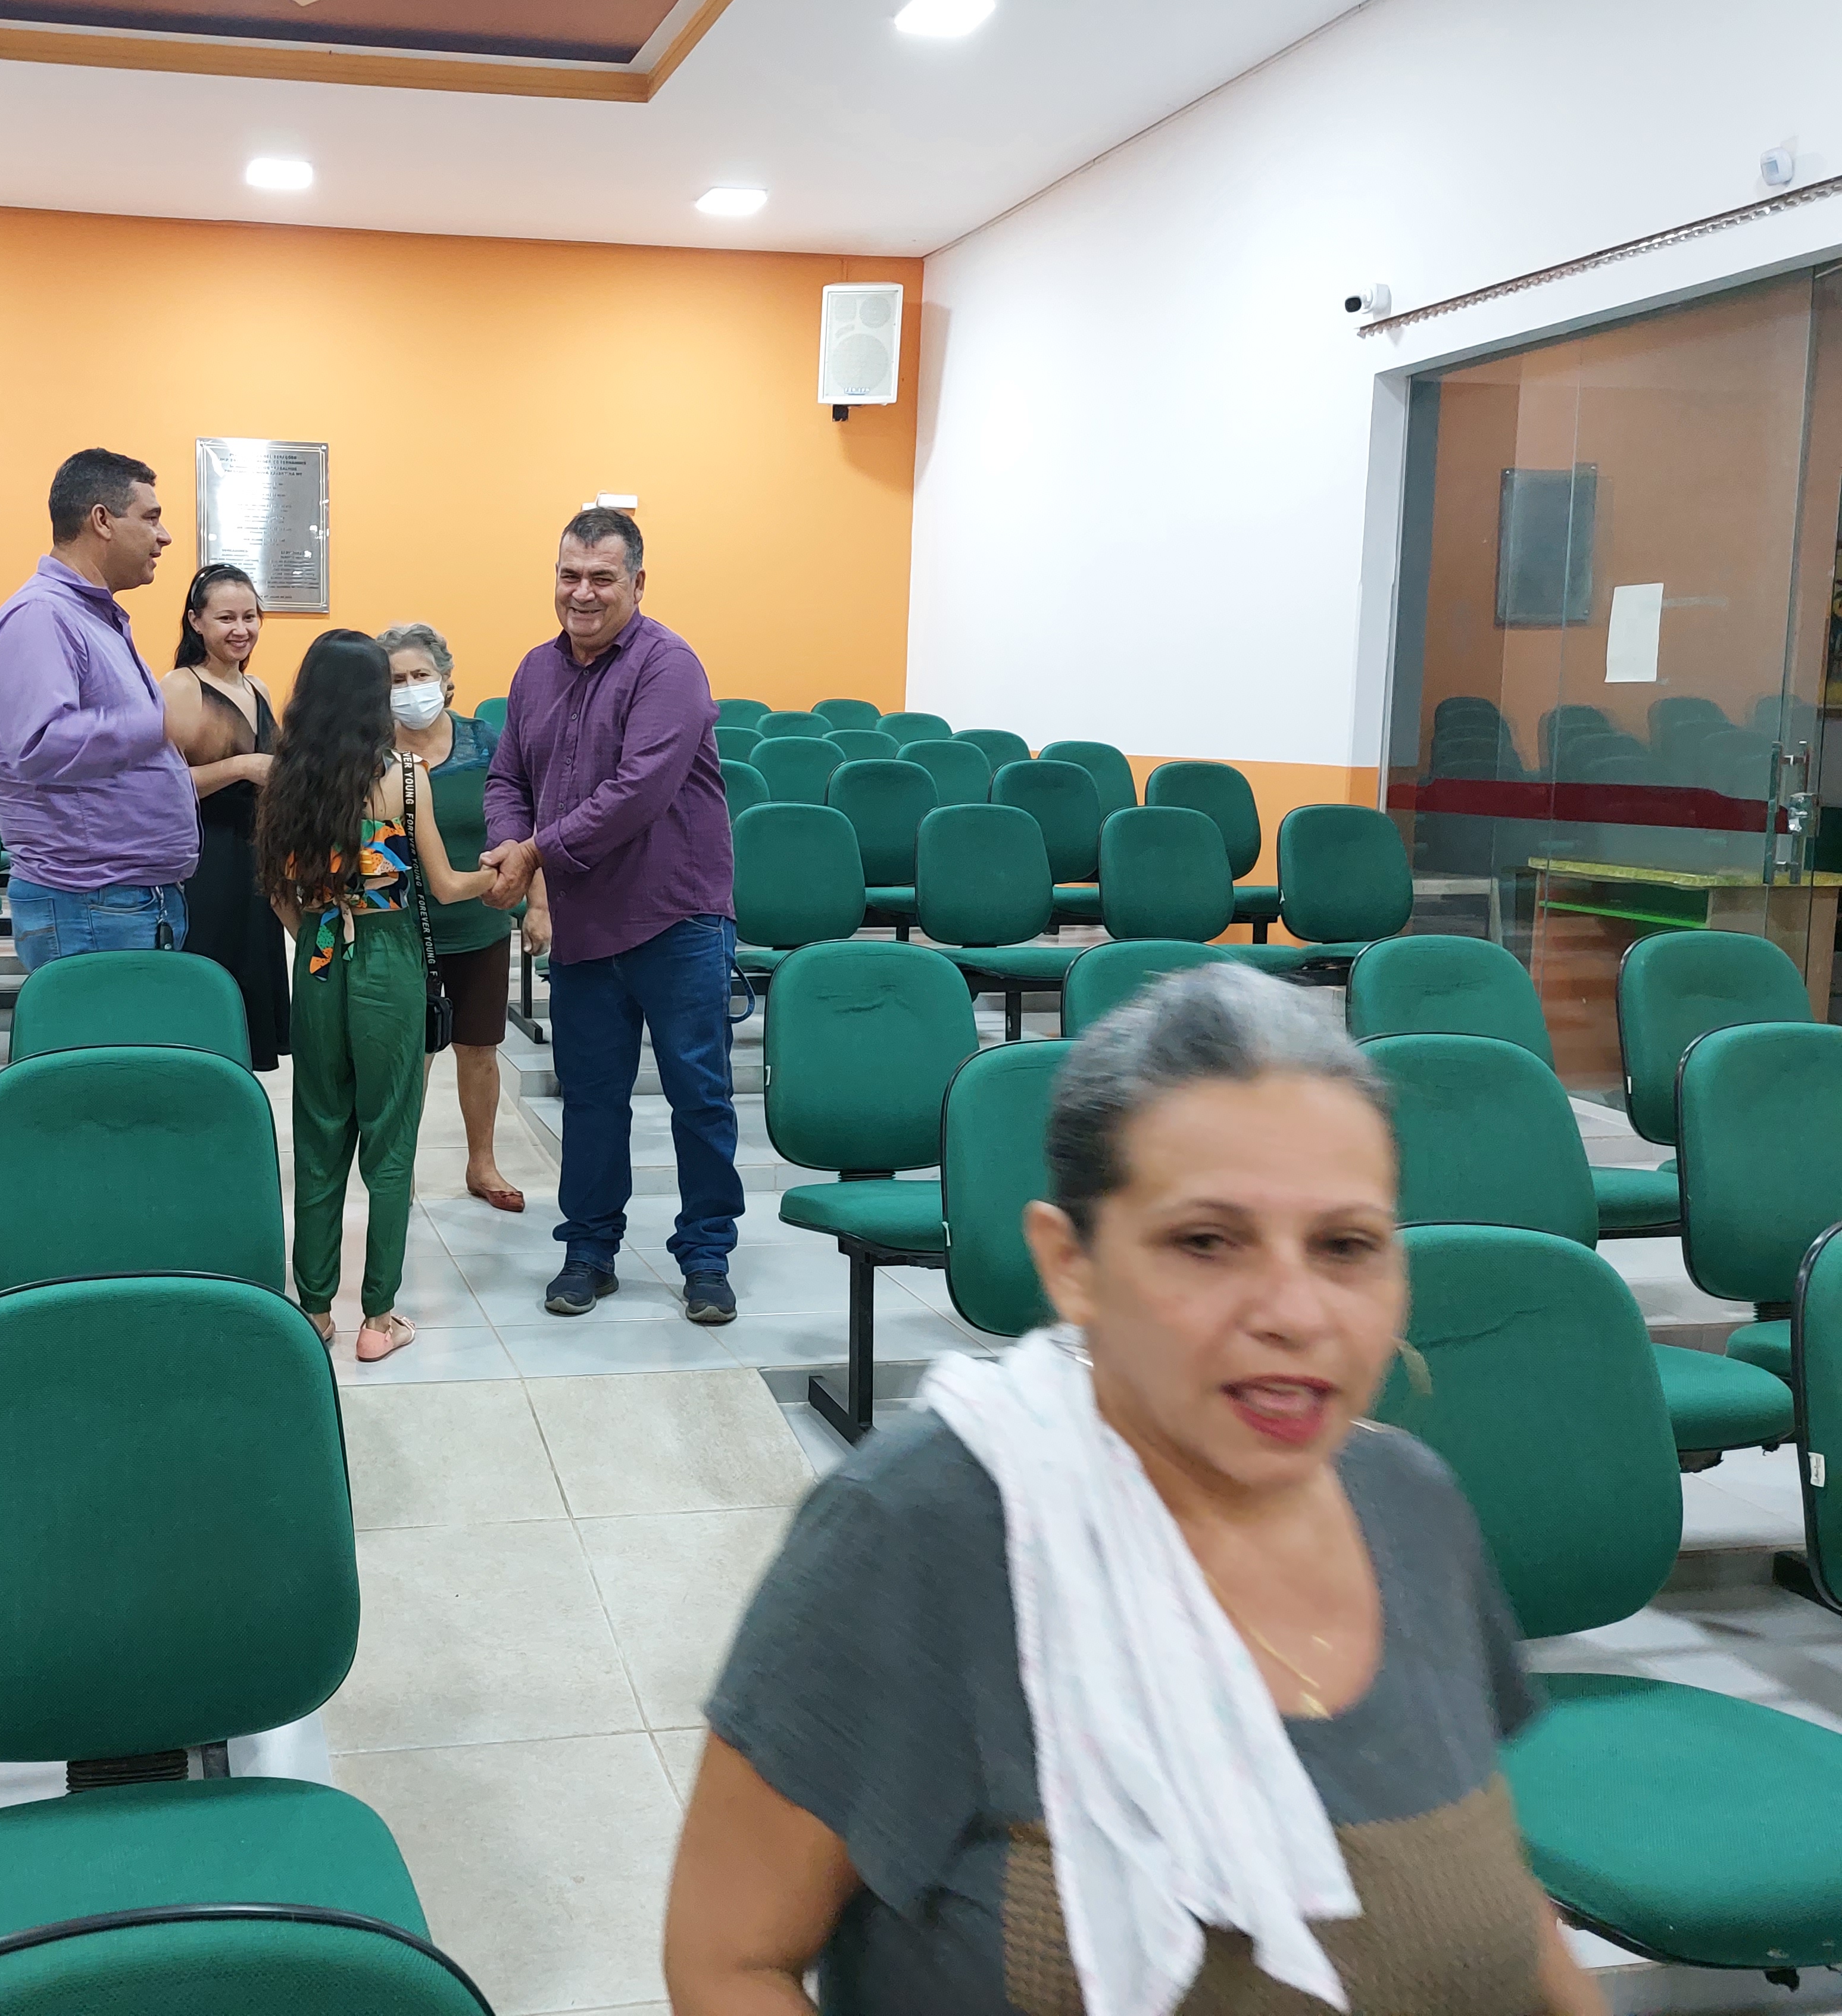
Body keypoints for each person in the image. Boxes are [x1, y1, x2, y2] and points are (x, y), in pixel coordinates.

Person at [664, 967, 1606, 2016]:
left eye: (1345, 1246)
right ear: (1070, 1262)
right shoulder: (919, 1532)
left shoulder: (1411, 1502)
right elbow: (727, 1962)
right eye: (1206, 1241)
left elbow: (1500, 1896)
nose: (1294, 1312)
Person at [483, 507, 740, 1327]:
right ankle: (589, 1251)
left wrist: (534, 855)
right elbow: (506, 779)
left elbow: (637, 793)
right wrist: (507, 843)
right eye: (570, 575)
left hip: (676, 918)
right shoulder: (535, 670)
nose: (582, 593)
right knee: (592, 1098)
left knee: (699, 1095)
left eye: (602, 577)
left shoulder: (670, 666)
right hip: (588, 923)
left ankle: (706, 1256)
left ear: (637, 582)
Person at [260, 630, 498, 1364]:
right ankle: (378, 1317)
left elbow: (280, 895)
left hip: (320, 959)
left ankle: (312, 1308)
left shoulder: (284, 779)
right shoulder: (403, 777)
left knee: (319, 1132)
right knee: (390, 1138)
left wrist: (319, 935)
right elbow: (448, 887)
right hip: (389, 954)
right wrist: (506, 871)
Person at [0, 447, 197, 969]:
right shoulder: (41, 617)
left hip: (116, 901)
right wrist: (159, 723)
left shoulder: (91, 617)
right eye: (151, 518)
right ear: (102, 520)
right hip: (87, 904)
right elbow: (40, 746)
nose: (164, 536)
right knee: (102, 1029)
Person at [382, 621, 545, 1212]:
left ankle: (483, 1164)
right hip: (400, 930)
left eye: (421, 675)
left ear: (447, 680)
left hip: (480, 923)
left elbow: (527, 828)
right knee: (411, 1056)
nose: (410, 688)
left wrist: (538, 905)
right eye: (396, 680)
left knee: (479, 1048)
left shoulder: (484, 741)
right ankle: (398, 1170)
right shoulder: (372, 751)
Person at [163, 563, 289, 1070]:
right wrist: (239, 767)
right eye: (226, 618)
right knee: (208, 986)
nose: (242, 629)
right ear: (196, 622)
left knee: (252, 990)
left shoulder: (257, 687)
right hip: (204, 860)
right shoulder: (181, 687)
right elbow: (158, 787)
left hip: (256, 861)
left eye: (250, 617)